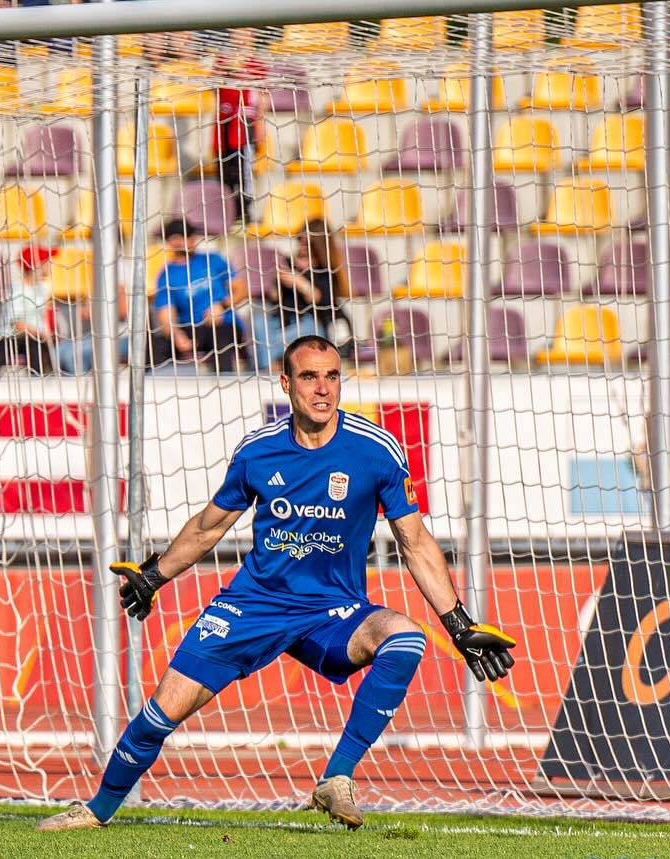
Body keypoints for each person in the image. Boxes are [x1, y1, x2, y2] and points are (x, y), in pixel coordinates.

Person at [36, 335, 517, 833]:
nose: (323, 389)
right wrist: (154, 576)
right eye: (309, 377)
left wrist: (458, 625)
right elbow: (208, 528)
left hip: (333, 613)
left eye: (332, 376)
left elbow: (414, 541)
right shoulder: (258, 452)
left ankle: (337, 777)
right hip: (255, 605)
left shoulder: (376, 450)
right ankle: (96, 810)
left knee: (406, 638)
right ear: (286, 384)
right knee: (162, 712)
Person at [246, 221, 354, 372]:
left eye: (307, 242)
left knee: (307, 328)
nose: (302, 245)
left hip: (312, 322)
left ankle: (270, 364)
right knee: (259, 321)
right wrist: (277, 281)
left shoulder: (325, 270)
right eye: (300, 240)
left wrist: (299, 283)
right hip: (284, 320)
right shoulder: (289, 263)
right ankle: (268, 367)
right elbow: (275, 299)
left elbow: (321, 300)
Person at [150, 218, 249, 373]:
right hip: (192, 329)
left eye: (191, 235)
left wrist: (222, 305)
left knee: (221, 339)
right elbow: (165, 313)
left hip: (223, 325)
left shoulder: (213, 260)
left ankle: (225, 381)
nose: (192, 239)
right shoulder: (166, 275)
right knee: (155, 345)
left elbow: (242, 290)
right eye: (185, 236)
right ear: (172, 241)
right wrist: (176, 335)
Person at [211, 29, 267, 225]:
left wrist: (260, 126)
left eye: (245, 32)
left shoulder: (255, 64)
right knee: (224, 169)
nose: (240, 36)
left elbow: (261, 98)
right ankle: (225, 212)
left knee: (243, 169)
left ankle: (244, 212)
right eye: (237, 32)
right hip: (224, 123)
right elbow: (214, 91)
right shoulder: (222, 61)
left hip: (244, 125)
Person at [0, 244, 56, 374]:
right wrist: (39, 332)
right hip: (11, 336)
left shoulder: (41, 289)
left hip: (34, 337)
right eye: (46, 263)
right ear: (36, 266)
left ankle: (47, 376)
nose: (49, 267)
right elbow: (16, 323)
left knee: (42, 348)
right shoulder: (18, 290)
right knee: (32, 347)